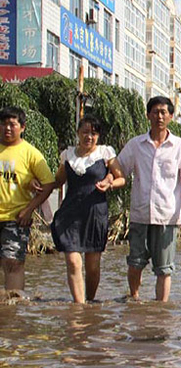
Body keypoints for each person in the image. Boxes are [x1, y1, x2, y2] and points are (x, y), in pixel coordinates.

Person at [110, 96, 181, 302]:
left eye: (163, 112)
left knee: (164, 269)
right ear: (148, 115)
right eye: (155, 112)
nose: (159, 116)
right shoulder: (136, 145)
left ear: (170, 116)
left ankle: (161, 309)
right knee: (134, 263)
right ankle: (134, 299)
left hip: (167, 216)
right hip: (140, 214)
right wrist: (107, 174)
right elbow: (119, 168)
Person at [48, 116, 126, 303]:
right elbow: (59, 180)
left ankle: (90, 301)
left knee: (92, 266)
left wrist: (110, 184)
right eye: (85, 132)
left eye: (93, 133)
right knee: (74, 262)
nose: (88, 136)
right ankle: (79, 306)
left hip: (95, 213)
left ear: (98, 136)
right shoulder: (67, 155)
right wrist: (41, 184)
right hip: (70, 214)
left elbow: (121, 178)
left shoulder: (105, 154)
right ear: (78, 133)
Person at [0, 106, 55, 295]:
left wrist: (30, 209)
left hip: (15, 218)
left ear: (22, 127)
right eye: (3, 123)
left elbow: (48, 184)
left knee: (13, 263)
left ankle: (13, 311)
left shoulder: (30, 153)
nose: (7, 128)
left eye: (12, 124)